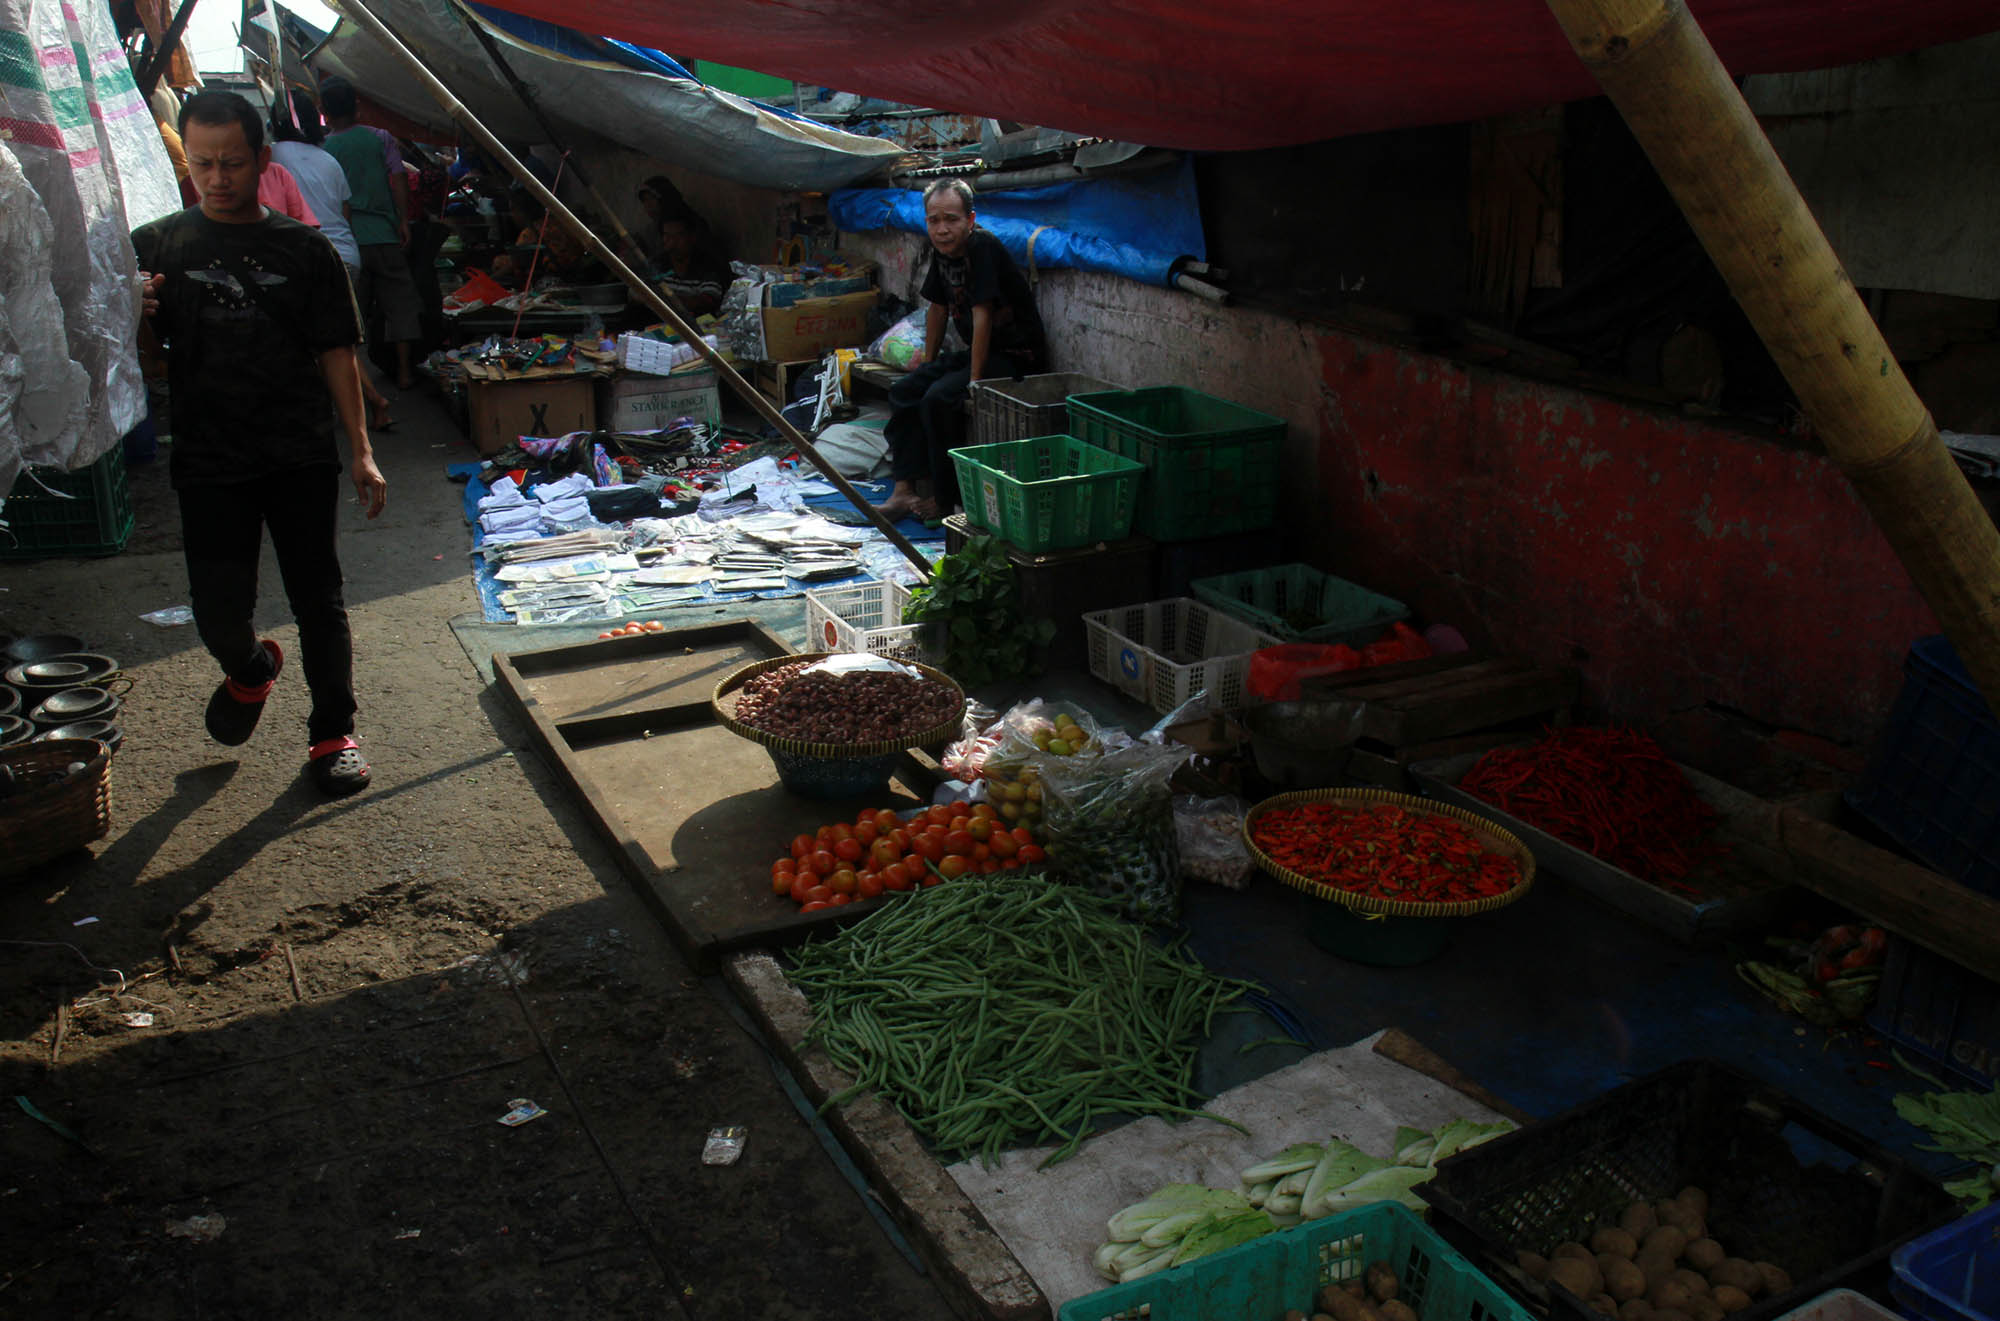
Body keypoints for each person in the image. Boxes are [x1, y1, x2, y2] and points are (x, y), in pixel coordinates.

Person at [132, 89, 387, 797]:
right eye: (203, 163)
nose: (217, 178)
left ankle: (333, 731)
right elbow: (149, 364)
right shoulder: (158, 246)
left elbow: (337, 350)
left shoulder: (305, 249)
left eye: (233, 163)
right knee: (217, 609)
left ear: (263, 160)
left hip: (298, 450)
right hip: (210, 458)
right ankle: (249, 667)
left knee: (319, 599)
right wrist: (138, 315)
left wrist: (361, 450)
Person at [877, 178, 1047, 521]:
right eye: (934, 221)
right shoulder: (943, 253)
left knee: (938, 399)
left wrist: (975, 381)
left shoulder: (982, 248)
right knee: (906, 390)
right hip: (981, 353)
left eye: (952, 220)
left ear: (970, 220)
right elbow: (937, 309)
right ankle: (903, 490)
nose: (942, 229)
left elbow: (982, 315)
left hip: (1016, 356)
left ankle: (946, 500)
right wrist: (927, 365)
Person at [268, 90, 395, 432]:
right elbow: (345, 212)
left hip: (313, 257)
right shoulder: (327, 159)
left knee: (329, 344)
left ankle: (366, 406)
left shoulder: (273, 156)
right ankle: (370, 403)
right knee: (338, 341)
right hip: (346, 254)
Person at [320, 79, 421, 390]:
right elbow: (399, 178)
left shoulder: (325, 149)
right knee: (399, 304)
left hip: (349, 242)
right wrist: (404, 220)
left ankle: (361, 383)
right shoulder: (380, 138)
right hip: (386, 235)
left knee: (354, 316)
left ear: (324, 112)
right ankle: (405, 372)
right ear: (357, 108)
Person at [654, 210, 730, 318]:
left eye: (678, 236)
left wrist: (665, 299)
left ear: (692, 237)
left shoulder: (708, 266)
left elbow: (707, 301)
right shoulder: (658, 265)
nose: (672, 242)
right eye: (667, 236)